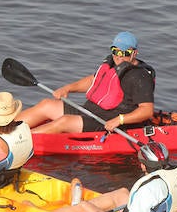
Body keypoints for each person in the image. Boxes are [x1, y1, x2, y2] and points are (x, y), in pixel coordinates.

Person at [18, 31, 155, 135]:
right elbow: (94, 80)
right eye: (115, 51)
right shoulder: (113, 64)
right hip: (90, 110)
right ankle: (3, 129)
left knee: (64, 121)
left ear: (134, 53)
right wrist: (68, 88)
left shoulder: (140, 77)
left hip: (108, 121)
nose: (119, 56)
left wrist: (120, 120)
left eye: (125, 52)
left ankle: (19, 141)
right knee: (46, 105)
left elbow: (147, 111)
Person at [53, 141, 177, 212]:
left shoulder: (149, 188)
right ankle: (75, 207)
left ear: (142, 165)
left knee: (83, 206)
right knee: (123, 193)